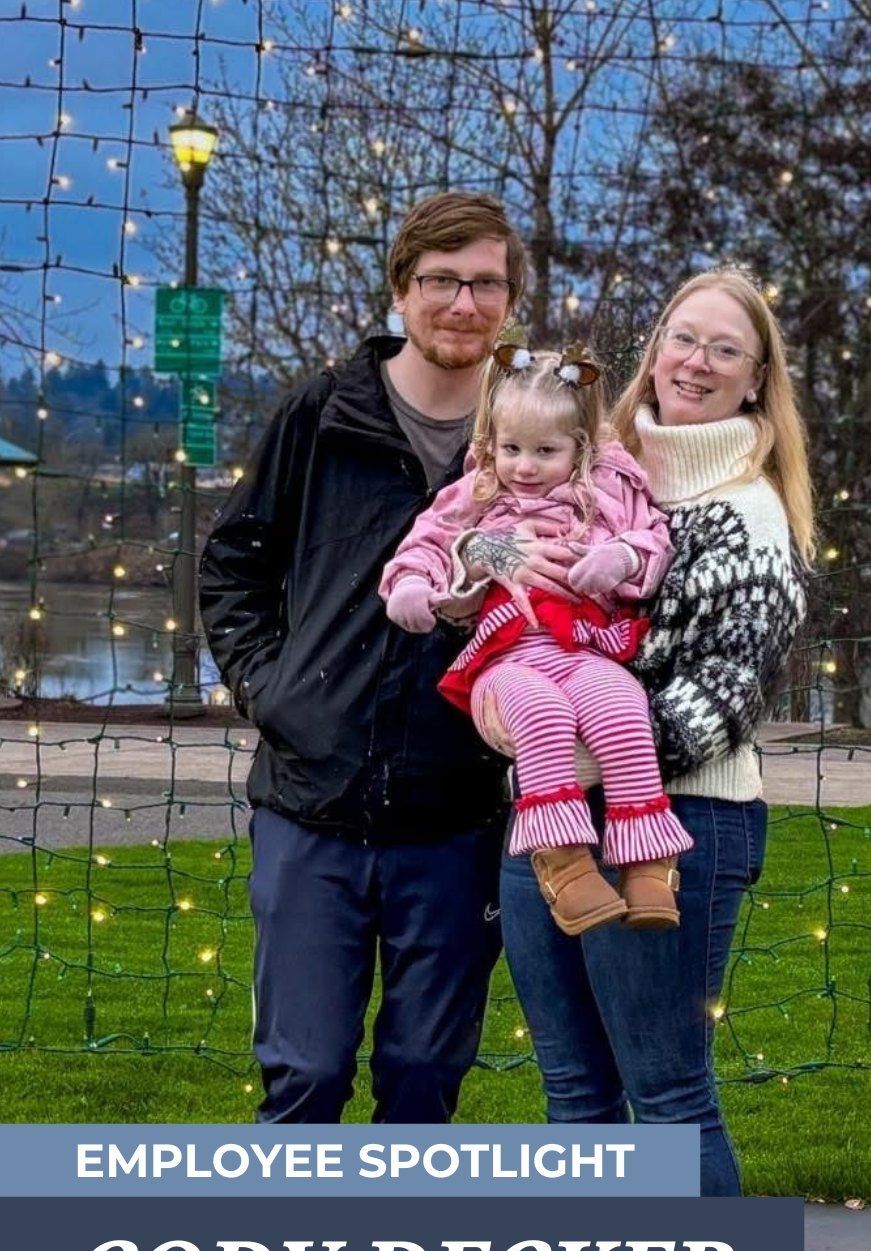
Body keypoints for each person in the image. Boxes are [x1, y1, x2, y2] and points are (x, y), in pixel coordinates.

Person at [465, 267, 813, 1195]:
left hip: (676, 818)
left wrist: (556, 746)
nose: (696, 362)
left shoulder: (748, 516)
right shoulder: (590, 471)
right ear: (656, 352)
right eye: (682, 338)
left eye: (725, 349)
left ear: (756, 379)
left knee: (668, 1098)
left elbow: (721, 699)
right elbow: (473, 544)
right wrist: (505, 691)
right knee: (575, 1094)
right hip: (545, 822)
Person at [199, 192, 535, 1125]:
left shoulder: (533, 439)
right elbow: (232, 563)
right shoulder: (322, 413)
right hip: (312, 801)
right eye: (440, 280)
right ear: (400, 288)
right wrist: (272, 690)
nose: (462, 304)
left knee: (424, 1080)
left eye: (485, 284)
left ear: (510, 301)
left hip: (460, 810)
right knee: (306, 1076)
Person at [379, 345, 694, 936]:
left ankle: (648, 859)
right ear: (492, 443)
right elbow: (428, 541)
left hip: (583, 646)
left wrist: (621, 558)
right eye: (511, 449)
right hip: (505, 660)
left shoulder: (610, 491)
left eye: (545, 451)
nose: (524, 467)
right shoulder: (478, 494)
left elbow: (654, 541)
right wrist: (413, 585)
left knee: (623, 705)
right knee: (541, 713)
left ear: (580, 446)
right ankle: (564, 863)